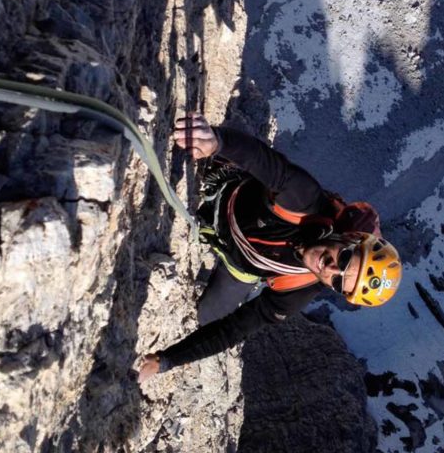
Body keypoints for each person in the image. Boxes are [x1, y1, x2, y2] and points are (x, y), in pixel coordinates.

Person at [137, 112, 402, 381]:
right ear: (348, 239)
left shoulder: (298, 290)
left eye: (337, 282)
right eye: (344, 260)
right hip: (219, 193)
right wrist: (217, 142)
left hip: (241, 265)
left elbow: (234, 329)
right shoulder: (306, 204)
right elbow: (269, 165)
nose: (331, 269)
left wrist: (166, 361)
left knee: (208, 317)